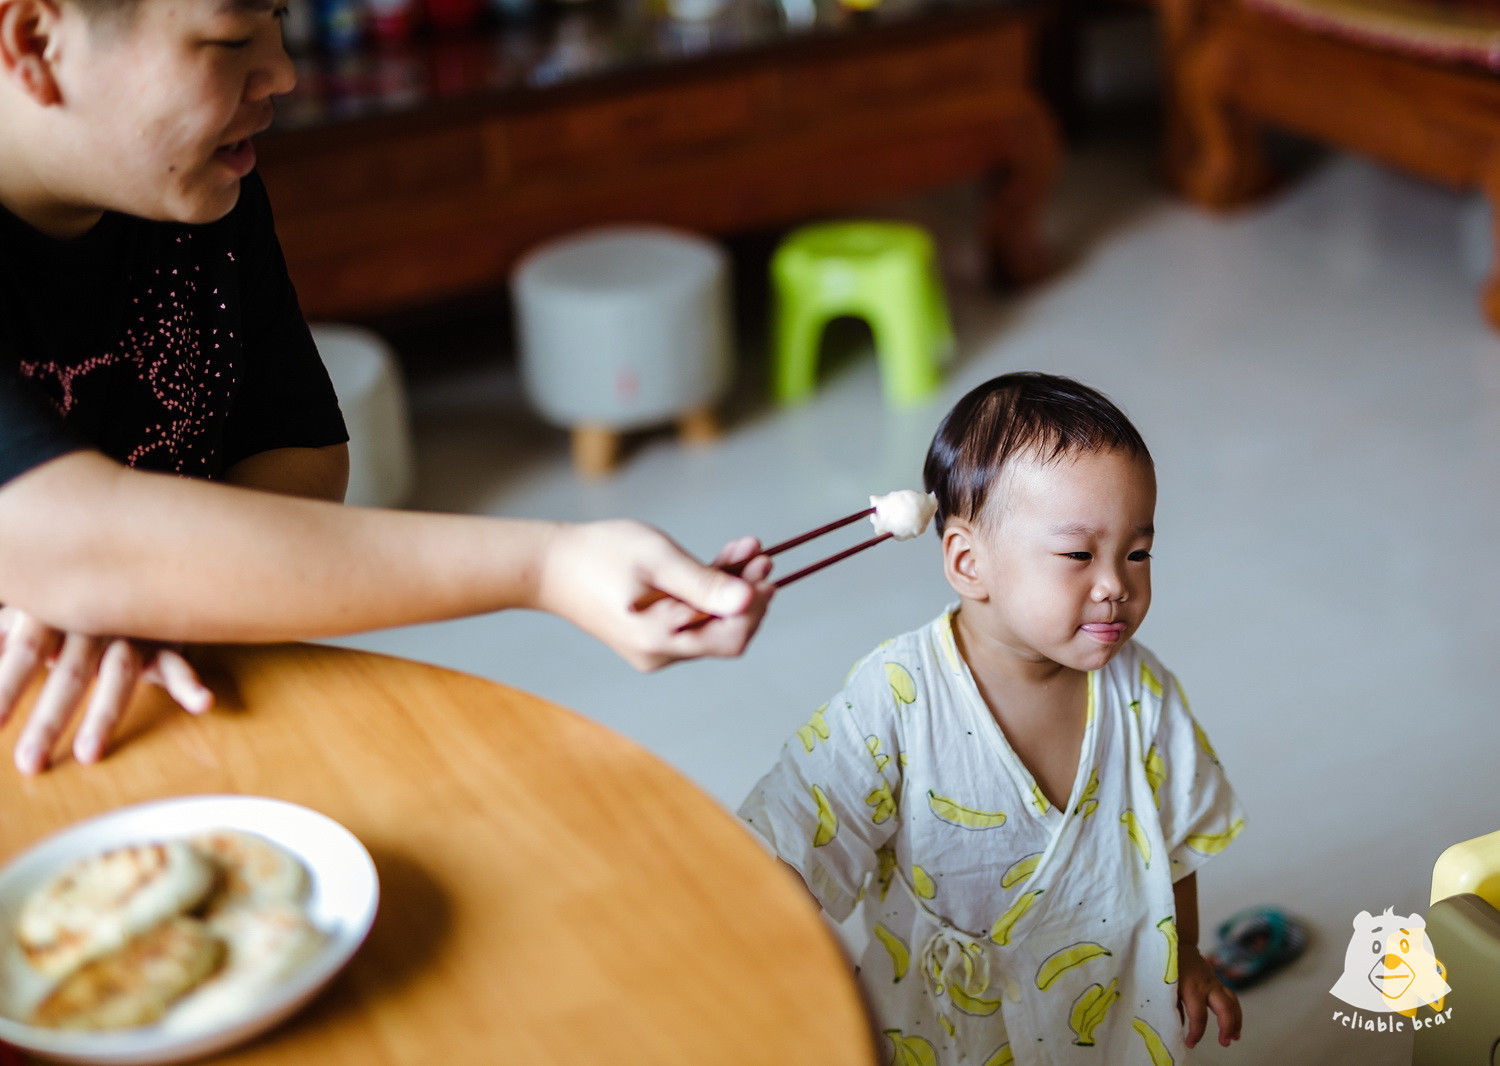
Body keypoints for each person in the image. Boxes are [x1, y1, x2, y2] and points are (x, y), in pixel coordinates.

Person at [0, 0, 773, 776]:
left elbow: (301, 451)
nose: (284, 73)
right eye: (233, 36)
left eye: (278, 19)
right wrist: (546, 565)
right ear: (36, 42)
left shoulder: (200, 186)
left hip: (167, 706)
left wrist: (153, 590)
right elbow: (61, 529)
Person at [739, 372, 1245, 1064]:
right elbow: (795, 827)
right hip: (944, 1036)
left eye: (1137, 552)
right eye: (1077, 555)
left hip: (1104, 1012)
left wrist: (1184, 949)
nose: (1115, 585)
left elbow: (1177, 839)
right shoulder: (897, 697)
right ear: (968, 562)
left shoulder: (1142, 694)